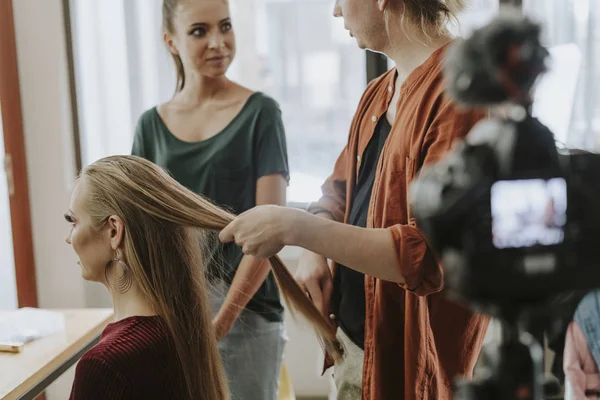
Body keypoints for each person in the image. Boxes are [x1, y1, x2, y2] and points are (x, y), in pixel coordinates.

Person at [219, 0, 491, 399]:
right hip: (352, 345)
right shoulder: (378, 93)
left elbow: (428, 254)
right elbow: (339, 189)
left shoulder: (462, 95)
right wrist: (312, 250)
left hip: (412, 366)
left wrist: (297, 229)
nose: (335, 12)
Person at [65, 155, 339, 400]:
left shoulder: (105, 365)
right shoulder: (181, 332)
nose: (69, 238)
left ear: (114, 231)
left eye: (74, 222)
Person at [132, 0, 290, 398]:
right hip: (174, 311)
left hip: (247, 313)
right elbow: (140, 231)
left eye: (225, 26)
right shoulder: (150, 126)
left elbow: (271, 231)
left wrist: (222, 319)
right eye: (199, 31)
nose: (218, 42)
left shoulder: (261, 113)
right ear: (170, 41)